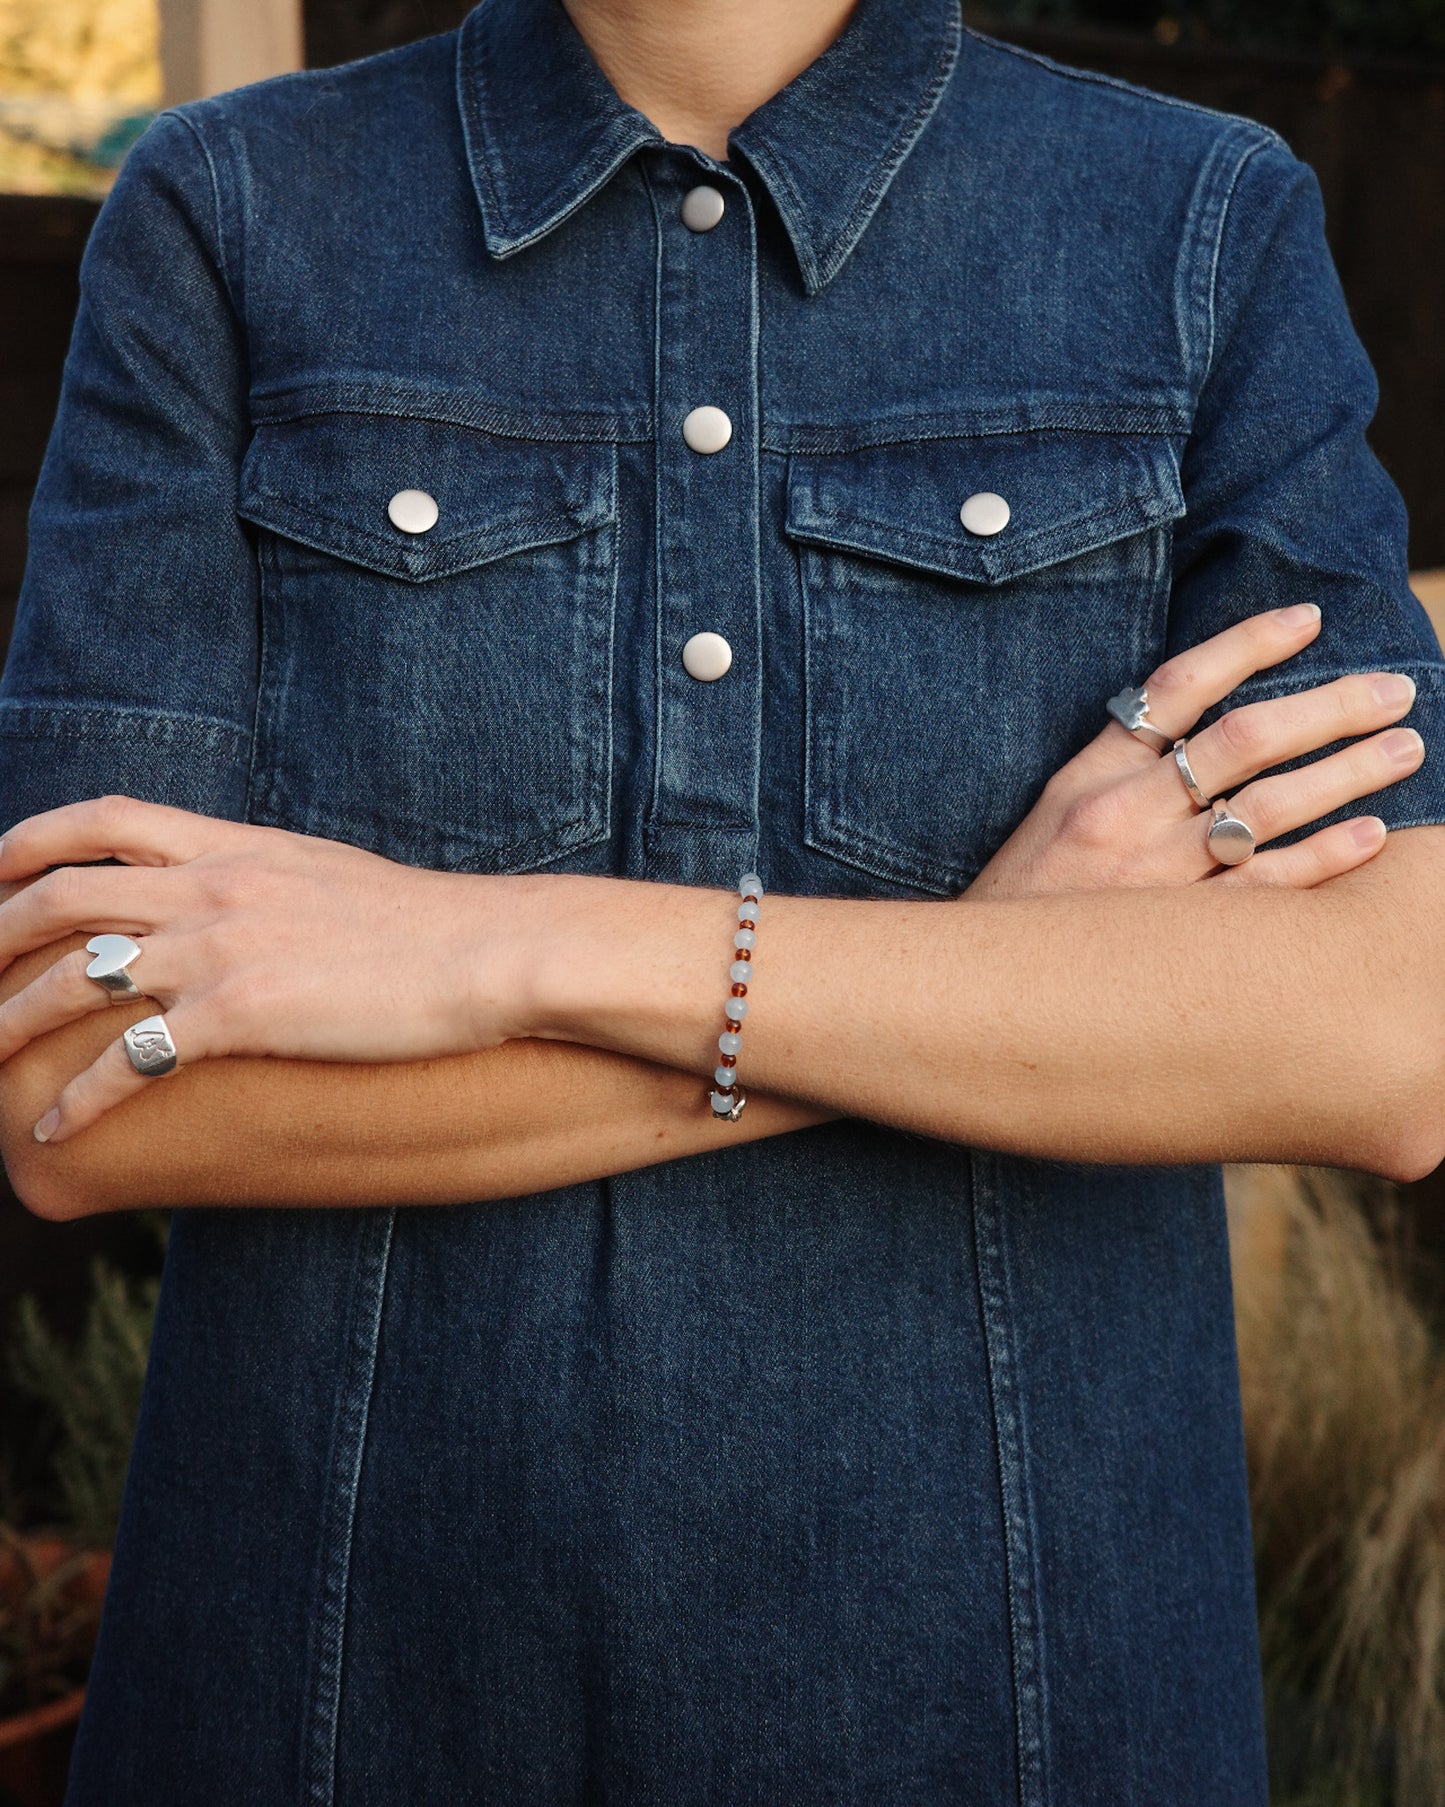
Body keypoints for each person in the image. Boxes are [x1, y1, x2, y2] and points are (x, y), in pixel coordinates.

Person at [0, 0, 1442, 1798]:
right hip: (339, 1689)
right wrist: (990, 973)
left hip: (1019, 1701)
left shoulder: (1198, 219)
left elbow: (1384, 1037)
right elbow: (74, 1081)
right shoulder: (228, 209)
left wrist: (508, 947)